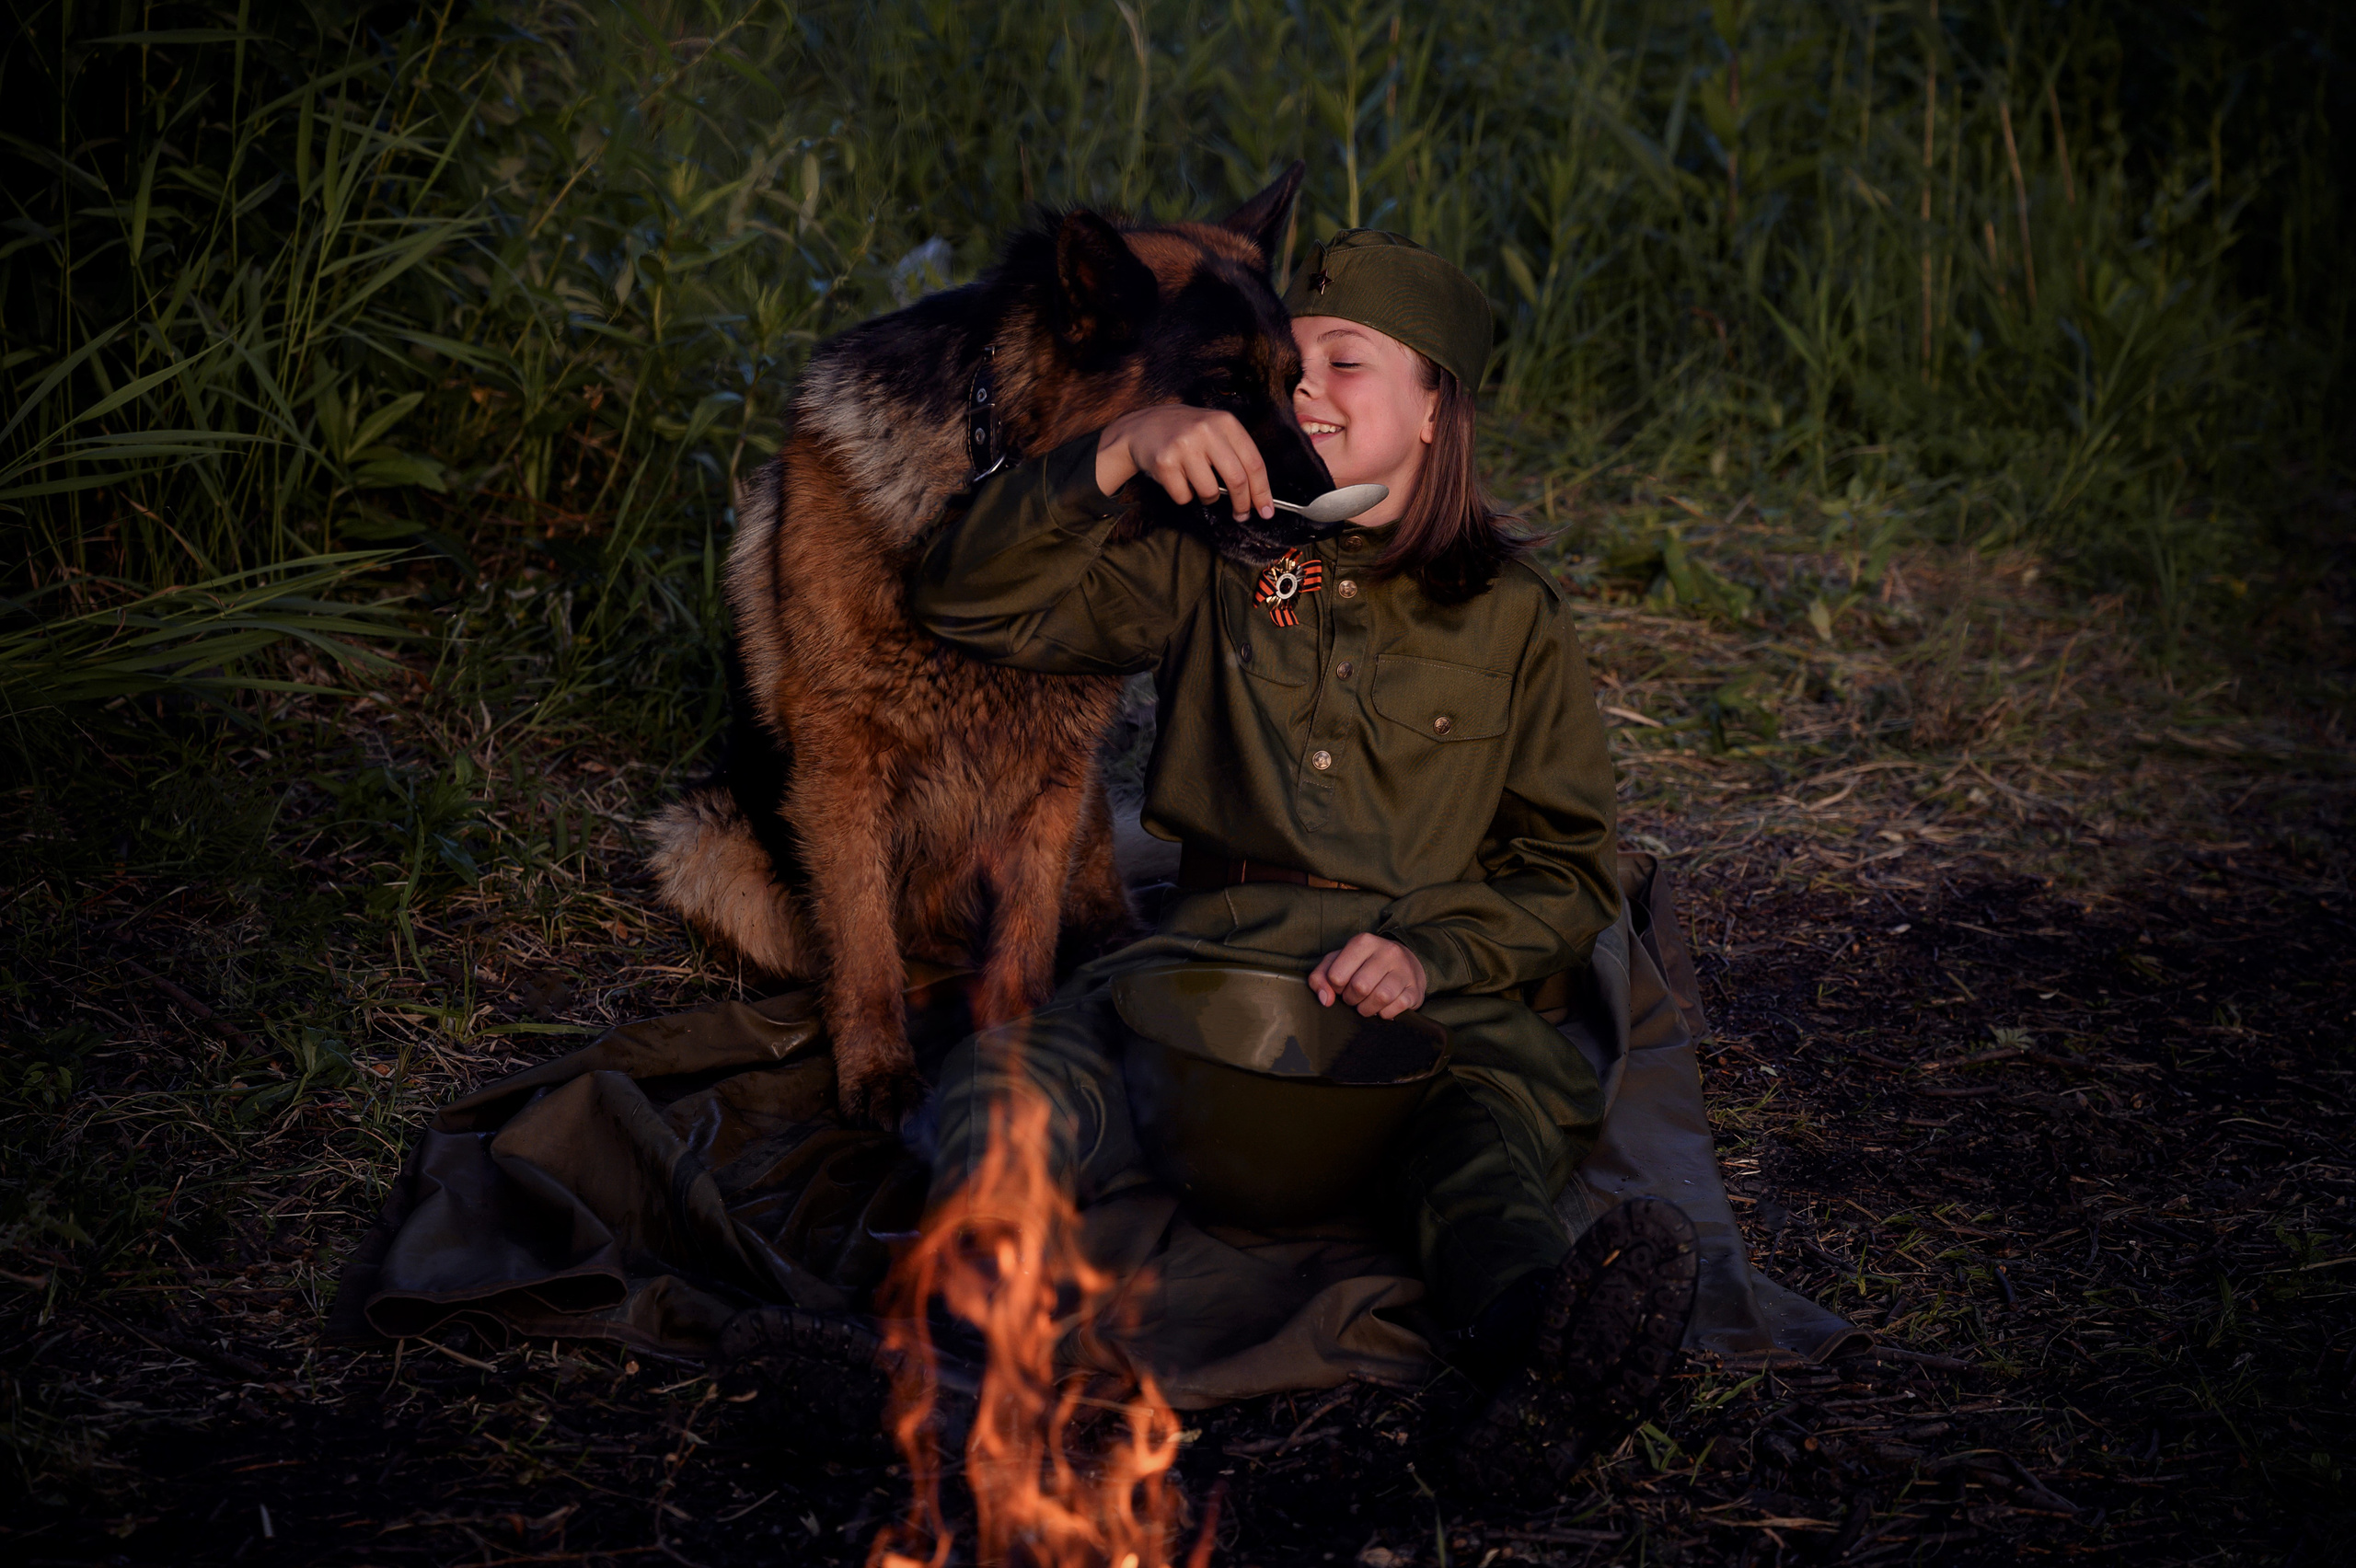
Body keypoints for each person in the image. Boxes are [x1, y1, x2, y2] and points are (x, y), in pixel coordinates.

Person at [909, 230, 1698, 1487]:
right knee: (1005, 1091)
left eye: (1347, 362)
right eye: (1290, 365)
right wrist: (1119, 449)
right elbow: (963, 602)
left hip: (1427, 1015)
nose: (1305, 390)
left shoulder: (1512, 617)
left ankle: (1536, 1364)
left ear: (1436, 408)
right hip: (1204, 989)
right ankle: (954, 1359)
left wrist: (1432, 954)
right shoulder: (1218, 556)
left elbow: (1566, 871)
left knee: (1484, 1160)